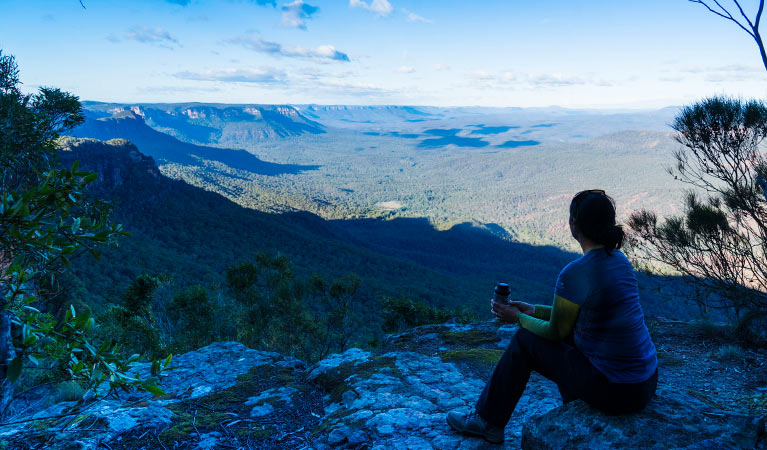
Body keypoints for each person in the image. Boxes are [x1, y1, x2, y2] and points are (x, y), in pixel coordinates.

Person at [446, 189, 658, 444]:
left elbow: (556, 332)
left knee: (526, 340)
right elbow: (574, 317)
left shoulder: (575, 273)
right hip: (645, 383)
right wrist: (532, 309)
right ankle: (572, 401)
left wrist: (518, 318)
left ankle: (487, 421)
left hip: (615, 390)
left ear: (574, 225)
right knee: (565, 335)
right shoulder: (619, 260)